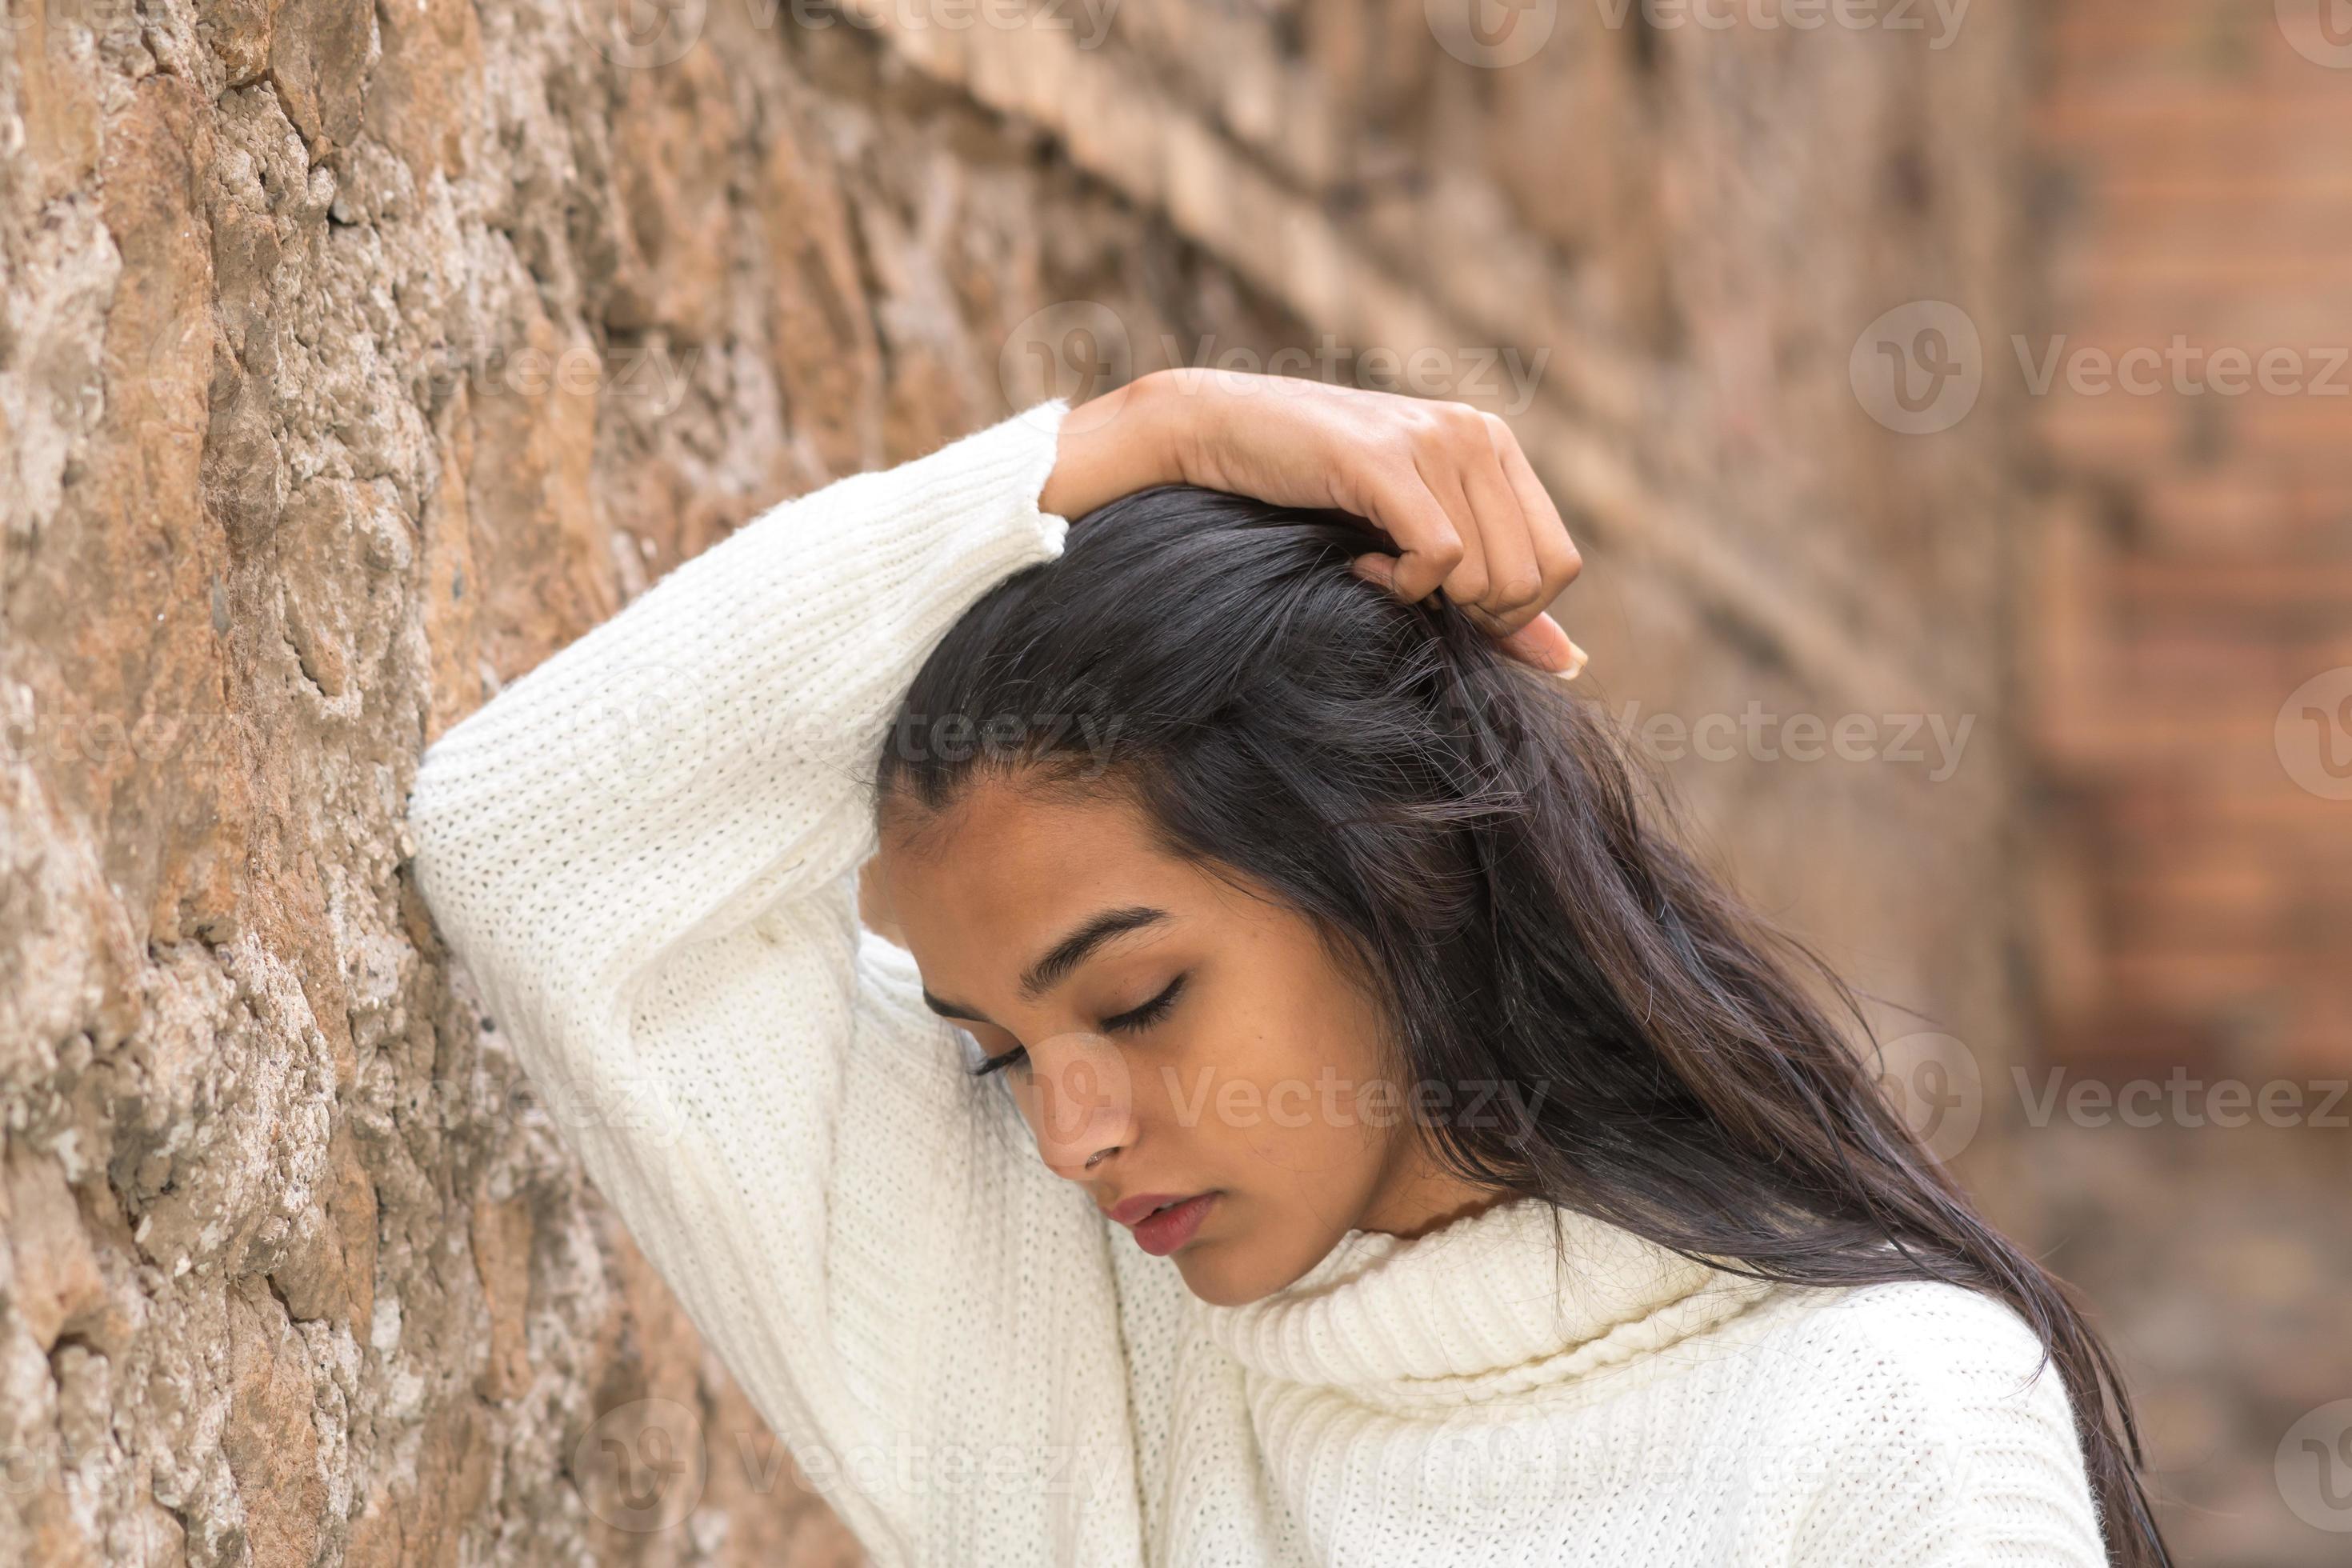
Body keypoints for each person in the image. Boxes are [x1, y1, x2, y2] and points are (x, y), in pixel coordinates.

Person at [405, 370, 2170, 1566]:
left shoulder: (1890, 1419)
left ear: (1402, 863)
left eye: (1138, 995)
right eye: (998, 1048)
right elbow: (533, 841)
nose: (1068, 1134)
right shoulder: (1090, 1353)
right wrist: (1129, 436)